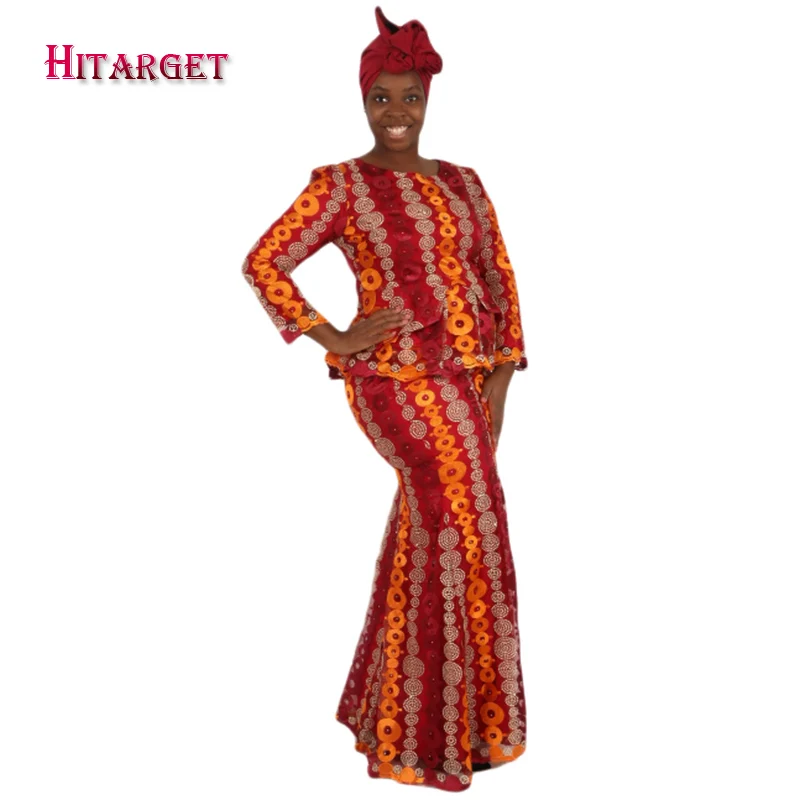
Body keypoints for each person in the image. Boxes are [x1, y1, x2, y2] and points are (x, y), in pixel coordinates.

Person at [242, 6, 528, 791]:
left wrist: (501, 379)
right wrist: (335, 336)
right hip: (395, 382)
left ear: (427, 100)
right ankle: (434, 740)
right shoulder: (341, 186)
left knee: (437, 529)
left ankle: (398, 718)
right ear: (362, 100)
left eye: (410, 97)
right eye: (381, 98)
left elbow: (498, 277)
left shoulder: (466, 182)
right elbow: (264, 262)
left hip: (471, 383)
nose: (396, 112)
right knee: (468, 520)